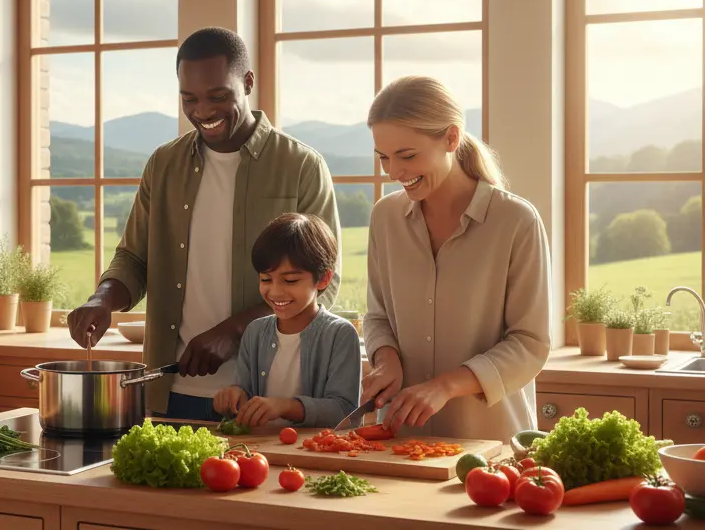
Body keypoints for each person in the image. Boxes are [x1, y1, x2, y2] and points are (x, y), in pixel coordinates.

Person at [66, 26, 342, 421]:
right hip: (170, 390)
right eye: (189, 99)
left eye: (218, 96)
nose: (202, 111)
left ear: (248, 83)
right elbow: (134, 258)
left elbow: (323, 284)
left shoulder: (301, 166)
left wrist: (233, 332)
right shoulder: (163, 165)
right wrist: (102, 299)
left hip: (268, 397)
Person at [360, 75, 552, 444]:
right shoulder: (385, 218)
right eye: (383, 157)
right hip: (400, 440)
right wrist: (386, 360)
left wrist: (445, 386)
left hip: (488, 445)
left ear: (451, 138)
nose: (393, 172)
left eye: (407, 155)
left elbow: (530, 344)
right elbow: (378, 315)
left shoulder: (516, 222)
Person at [214, 213, 360, 428]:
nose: (275, 291)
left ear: (323, 279)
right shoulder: (255, 332)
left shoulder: (340, 334)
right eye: (266, 279)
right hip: (260, 447)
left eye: (290, 280)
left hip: (314, 448)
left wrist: (285, 406)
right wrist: (234, 395)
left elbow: (345, 411)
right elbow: (244, 392)